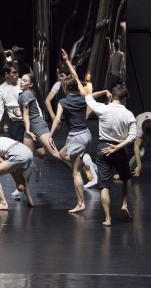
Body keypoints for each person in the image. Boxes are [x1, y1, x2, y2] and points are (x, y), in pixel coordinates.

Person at [50, 51, 105, 213]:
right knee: (61, 154)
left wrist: (51, 135)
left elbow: (57, 120)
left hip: (76, 137)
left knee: (75, 173)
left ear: (65, 88)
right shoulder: (83, 98)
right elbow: (76, 78)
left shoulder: (63, 102)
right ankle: (85, 165)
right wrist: (67, 62)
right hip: (87, 135)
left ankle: (81, 203)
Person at [84, 81, 138, 226]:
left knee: (104, 185)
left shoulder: (102, 108)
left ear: (112, 96)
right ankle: (124, 204)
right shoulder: (128, 114)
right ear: (124, 98)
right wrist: (117, 147)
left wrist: (102, 91)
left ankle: (108, 218)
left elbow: (88, 97)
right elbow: (132, 137)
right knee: (126, 178)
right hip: (120, 149)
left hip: (103, 147)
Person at [0, 64, 23, 140]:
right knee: (16, 145)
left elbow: (34, 103)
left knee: (36, 147)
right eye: (14, 72)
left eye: (17, 72)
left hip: (29, 120)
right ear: (6, 74)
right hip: (15, 123)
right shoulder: (1, 90)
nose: (17, 75)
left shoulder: (23, 83)